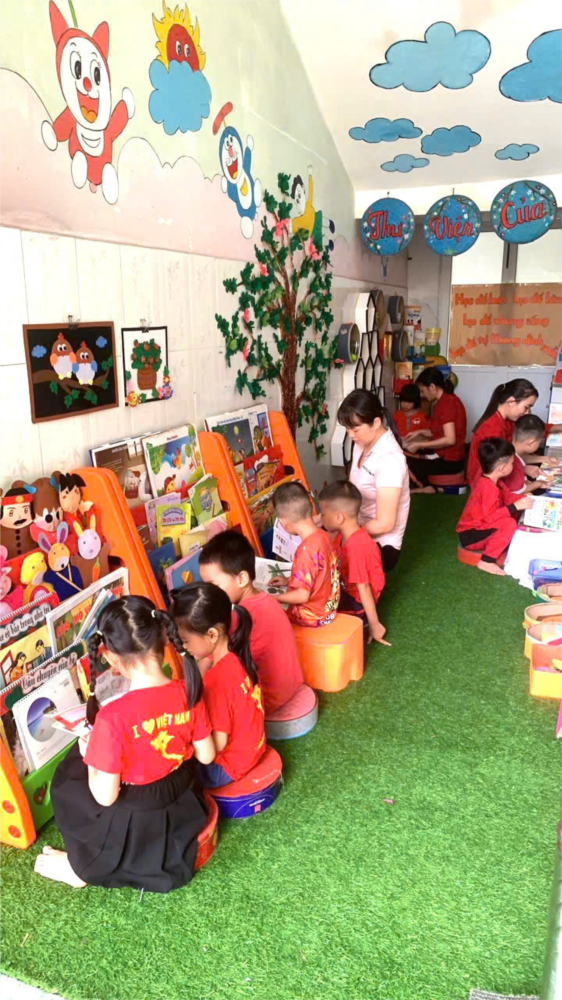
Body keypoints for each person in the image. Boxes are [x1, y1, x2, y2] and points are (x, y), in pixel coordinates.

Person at [34, 595, 215, 892]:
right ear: (164, 639)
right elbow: (207, 756)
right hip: (183, 801)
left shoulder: (112, 717)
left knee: (69, 777)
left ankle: (82, 868)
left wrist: (90, 759)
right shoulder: (187, 689)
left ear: (111, 658)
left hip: (138, 815)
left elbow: (105, 797)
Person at [198, 530, 304, 715]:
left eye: (214, 586)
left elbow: (206, 663)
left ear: (242, 579)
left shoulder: (236, 617)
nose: (209, 594)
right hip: (291, 686)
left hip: (265, 700)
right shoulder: (267, 599)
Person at [171, 583, 266, 788]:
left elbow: (217, 746)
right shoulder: (237, 657)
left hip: (227, 767)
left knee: (175, 767)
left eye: (186, 640)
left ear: (212, 634)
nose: (184, 647)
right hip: (254, 749)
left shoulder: (215, 682)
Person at [338, 389, 410, 573]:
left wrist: (345, 530)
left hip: (382, 543)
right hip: (358, 523)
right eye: (347, 429)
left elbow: (384, 524)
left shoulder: (390, 460)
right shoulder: (361, 442)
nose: (350, 435)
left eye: (355, 429)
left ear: (376, 423)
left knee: (324, 558)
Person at [318, 481, 389, 646]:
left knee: (314, 612)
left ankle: (363, 621)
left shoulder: (358, 546)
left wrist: (375, 624)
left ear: (338, 517)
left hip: (357, 603)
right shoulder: (342, 535)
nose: (321, 518)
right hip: (343, 590)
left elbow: (363, 588)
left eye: (323, 514)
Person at [456, 438, 533, 577]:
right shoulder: (488, 488)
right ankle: (486, 561)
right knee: (509, 523)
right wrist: (515, 506)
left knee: (514, 512)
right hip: (471, 535)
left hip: (481, 527)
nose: (513, 466)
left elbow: (508, 497)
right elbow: (489, 518)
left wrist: (529, 500)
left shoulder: (495, 481)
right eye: (512, 463)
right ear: (502, 468)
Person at [271, 481, 340, 627]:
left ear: (283, 522)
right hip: (328, 609)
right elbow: (319, 573)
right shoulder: (324, 535)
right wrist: (289, 580)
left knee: (265, 616)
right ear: (310, 506)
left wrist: (273, 598)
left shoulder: (305, 552)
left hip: (311, 617)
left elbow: (302, 596)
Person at [402, 368, 467, 493]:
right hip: (446, 456)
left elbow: (450, 439)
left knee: (403, 458)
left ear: (432, 387)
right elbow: (437, 432)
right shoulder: (445, 401)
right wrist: (419, 432)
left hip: (449, 460)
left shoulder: (446, 404)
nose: (422, 395)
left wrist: (420, 444)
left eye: (422, 391)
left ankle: (425, 487)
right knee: (406, 451)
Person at [467, 379, 538, 485]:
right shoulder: (492, 428)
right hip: (487, 484)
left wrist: (523, 468)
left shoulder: (507, 422)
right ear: (511, 401)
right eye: (526, 407)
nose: (527, 413)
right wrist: (523, 473)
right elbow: (497, 468)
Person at [500, 415, 552, 497]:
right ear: (531, 443)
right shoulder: (512, 462)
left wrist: (524, 469)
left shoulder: (507, 450)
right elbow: (517, 491)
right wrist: (538, 484)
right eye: (539, 442)